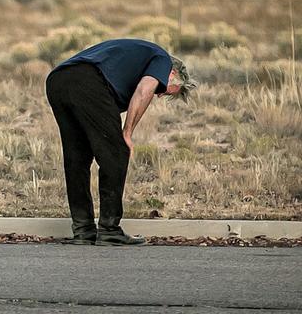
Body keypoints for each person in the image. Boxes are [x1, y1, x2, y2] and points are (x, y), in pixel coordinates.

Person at [45, 39, 196, 246]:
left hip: (58, 80)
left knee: (77, 158)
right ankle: (109, 230)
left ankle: (83, 230)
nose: (159, 95)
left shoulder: (135, 59)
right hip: (87, 81)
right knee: (117, 153)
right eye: (165, 90)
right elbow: (144, 91)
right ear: (172, 74)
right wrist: (127, 133)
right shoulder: (162, 59)